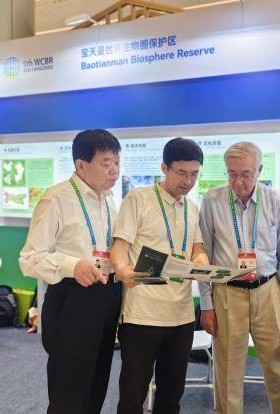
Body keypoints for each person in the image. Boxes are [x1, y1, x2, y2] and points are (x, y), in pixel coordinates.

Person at [19, 129, 122, 414]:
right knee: (69, 392)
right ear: (81, 165)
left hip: (107, 295)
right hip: (72, 298)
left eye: (117, 162)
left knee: (97, 384)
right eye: (106, 163)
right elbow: (29, 258)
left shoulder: (109, 199)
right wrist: (71, 265)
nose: (114, 170)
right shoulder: (56, 199)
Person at [199, 142, 280, 414]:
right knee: (227, 373)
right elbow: (203, 258)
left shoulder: (274, 200)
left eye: (246, 174)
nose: (238, 182)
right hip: (227, 292)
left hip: (268, 291)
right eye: (232, 174)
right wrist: (207, 305)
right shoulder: (211, 201)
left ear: (260, 170)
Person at [110, 137, 210, 414]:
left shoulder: (192, 208)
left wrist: (200, 262)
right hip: (142, 315)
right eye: (182, 173)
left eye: (194, 174)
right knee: (133, 396)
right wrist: (121, 269)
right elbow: (120, 246)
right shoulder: (138, 199)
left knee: (171, 395)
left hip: (181, 316)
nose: (188, 181)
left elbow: (197, 248)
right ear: (164, 168)